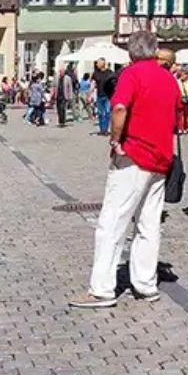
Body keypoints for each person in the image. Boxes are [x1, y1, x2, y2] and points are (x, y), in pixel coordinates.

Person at [73, 30, 175, 308]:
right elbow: (179, 118)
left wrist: (116, 139)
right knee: (148, 225)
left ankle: (102, 289)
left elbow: (119, 108)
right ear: (155, 51)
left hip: (134, 155)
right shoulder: (169, 78)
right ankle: (145, 284)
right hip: (161, 159)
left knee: (112, 222)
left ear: (131, 52)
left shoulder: (132, 74)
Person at [93, 61, 116, 135]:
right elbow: (93, 83)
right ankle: (102, 129)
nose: (96, 64)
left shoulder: (110, 73)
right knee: (100, 113)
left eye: (98, 63)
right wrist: (90, 94)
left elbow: (114, 83)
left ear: (102, 64)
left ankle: (106, 129)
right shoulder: (96, 73)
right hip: (99, 95)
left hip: (107, 96)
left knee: (107, 113)